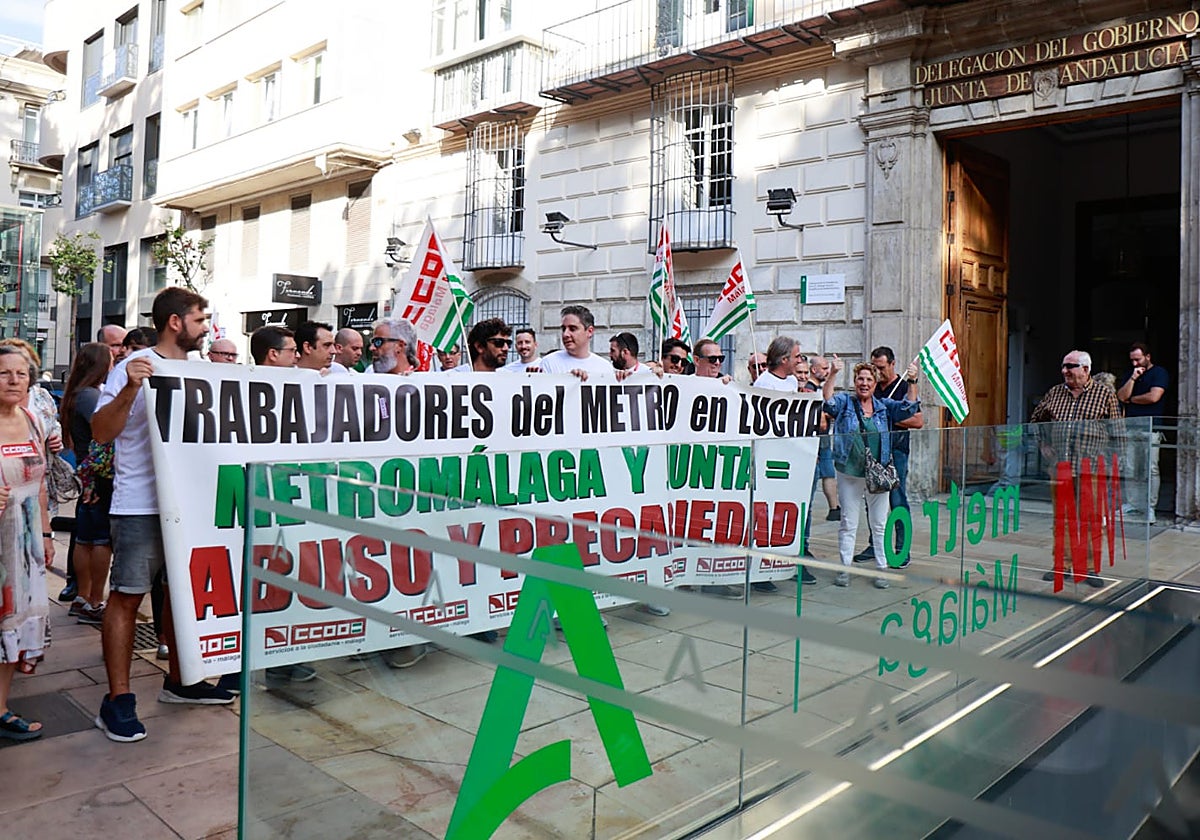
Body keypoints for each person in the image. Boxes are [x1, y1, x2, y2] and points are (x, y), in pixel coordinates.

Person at [92, 287, 234, 743]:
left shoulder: (202, 373)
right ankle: (117, 700)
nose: (206, 326)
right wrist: (132, 387)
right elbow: (101, 432)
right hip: (140, 505)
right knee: (128, 597)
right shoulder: (133, 370)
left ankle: (182, 681)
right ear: (175, 322)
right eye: (200, 318)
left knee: (183, 596)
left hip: (190, 505)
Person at [822, 357, 921, 589]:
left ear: (875, 384)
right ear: (855, 382)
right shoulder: (846, 402)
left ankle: (881, 569)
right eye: (860, 379)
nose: (864, 383)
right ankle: (845, 568)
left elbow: (910, 408)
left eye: (868, 379)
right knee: (848, 522)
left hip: (879, 472)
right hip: (850, 472)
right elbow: (828, 402)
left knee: (879, 523)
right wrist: (833, 373)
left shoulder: (884, 406)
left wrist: (913, 380)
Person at [1030, 350, 1123, 588]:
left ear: (1085, 369)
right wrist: (1043, 445)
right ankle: (1062, 565)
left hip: (1092, 467)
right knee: (1062, 519)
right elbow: (1035, 420)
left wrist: (1114, 464)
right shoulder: (1055, 393)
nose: (1065, 371)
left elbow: (1118, 432)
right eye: (1063, 366)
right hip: (1061, 466)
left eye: (1070, 366)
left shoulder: (1104, 394)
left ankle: (1089, 568)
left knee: (1090, 520)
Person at [0, 345, 55, 742]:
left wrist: (47, 535)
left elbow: (39, 486)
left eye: (21, 373)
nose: (14, 380)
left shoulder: (33, 421)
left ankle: (0, 709)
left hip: (26, 543)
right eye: (4, 373)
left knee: (12, 627)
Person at [369, 318, 428, 666]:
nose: (372, 350)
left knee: (410, 564)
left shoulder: (429, 386)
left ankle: (411, 638)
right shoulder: (359, 386)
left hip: (415, 495)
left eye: (378, 343)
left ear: (400, 347)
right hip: (375, 495)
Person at [853, 347, 924, 567]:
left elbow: (917, 420)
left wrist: (883, 414)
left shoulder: (903, 387)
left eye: (881, 368)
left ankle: (903, 550)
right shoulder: (871, 387)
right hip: (872, 451)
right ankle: (875, 545)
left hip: (897, 451)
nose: (878, 372)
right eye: (874, 367)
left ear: (892, 364)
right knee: (872, 500)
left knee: (897, 499)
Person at [59, 343, 113, 627]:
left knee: (85, 538)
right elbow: (107, 430)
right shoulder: (91, 396)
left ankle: (83, 598)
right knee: (100, 539)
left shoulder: (76, 394)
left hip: (86, 473)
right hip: (98, 476)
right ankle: (94, 600)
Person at [1116, 342, 1168, 524]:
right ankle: (1132, 504)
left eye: (1138, 359)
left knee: (1151, 469)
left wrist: (1132, 400)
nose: (1135, 364)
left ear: (1148, 356)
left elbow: (1154, 396)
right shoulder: (1130, 374)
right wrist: (1132, 379)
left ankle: (1150, 508)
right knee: (1131, 469)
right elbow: (1121, 397)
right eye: (1132, 360)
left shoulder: (1159, 373)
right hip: (1131, 428)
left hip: (1151, 429)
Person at [807, 355, 840, 520]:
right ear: (814, 370)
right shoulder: (809, 389)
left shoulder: (820, 388)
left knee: (828, 473)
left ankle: (834, 508)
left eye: (828, 368)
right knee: (821, 474)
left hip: (823, 438)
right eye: (824, 368)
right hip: (815, 439)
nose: (827, 371)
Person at [538, 305, 612, 378]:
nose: (565, 334)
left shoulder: (605, 368)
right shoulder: (549, 363)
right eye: (564, 329)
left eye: (573, 329)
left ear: (589, 331)